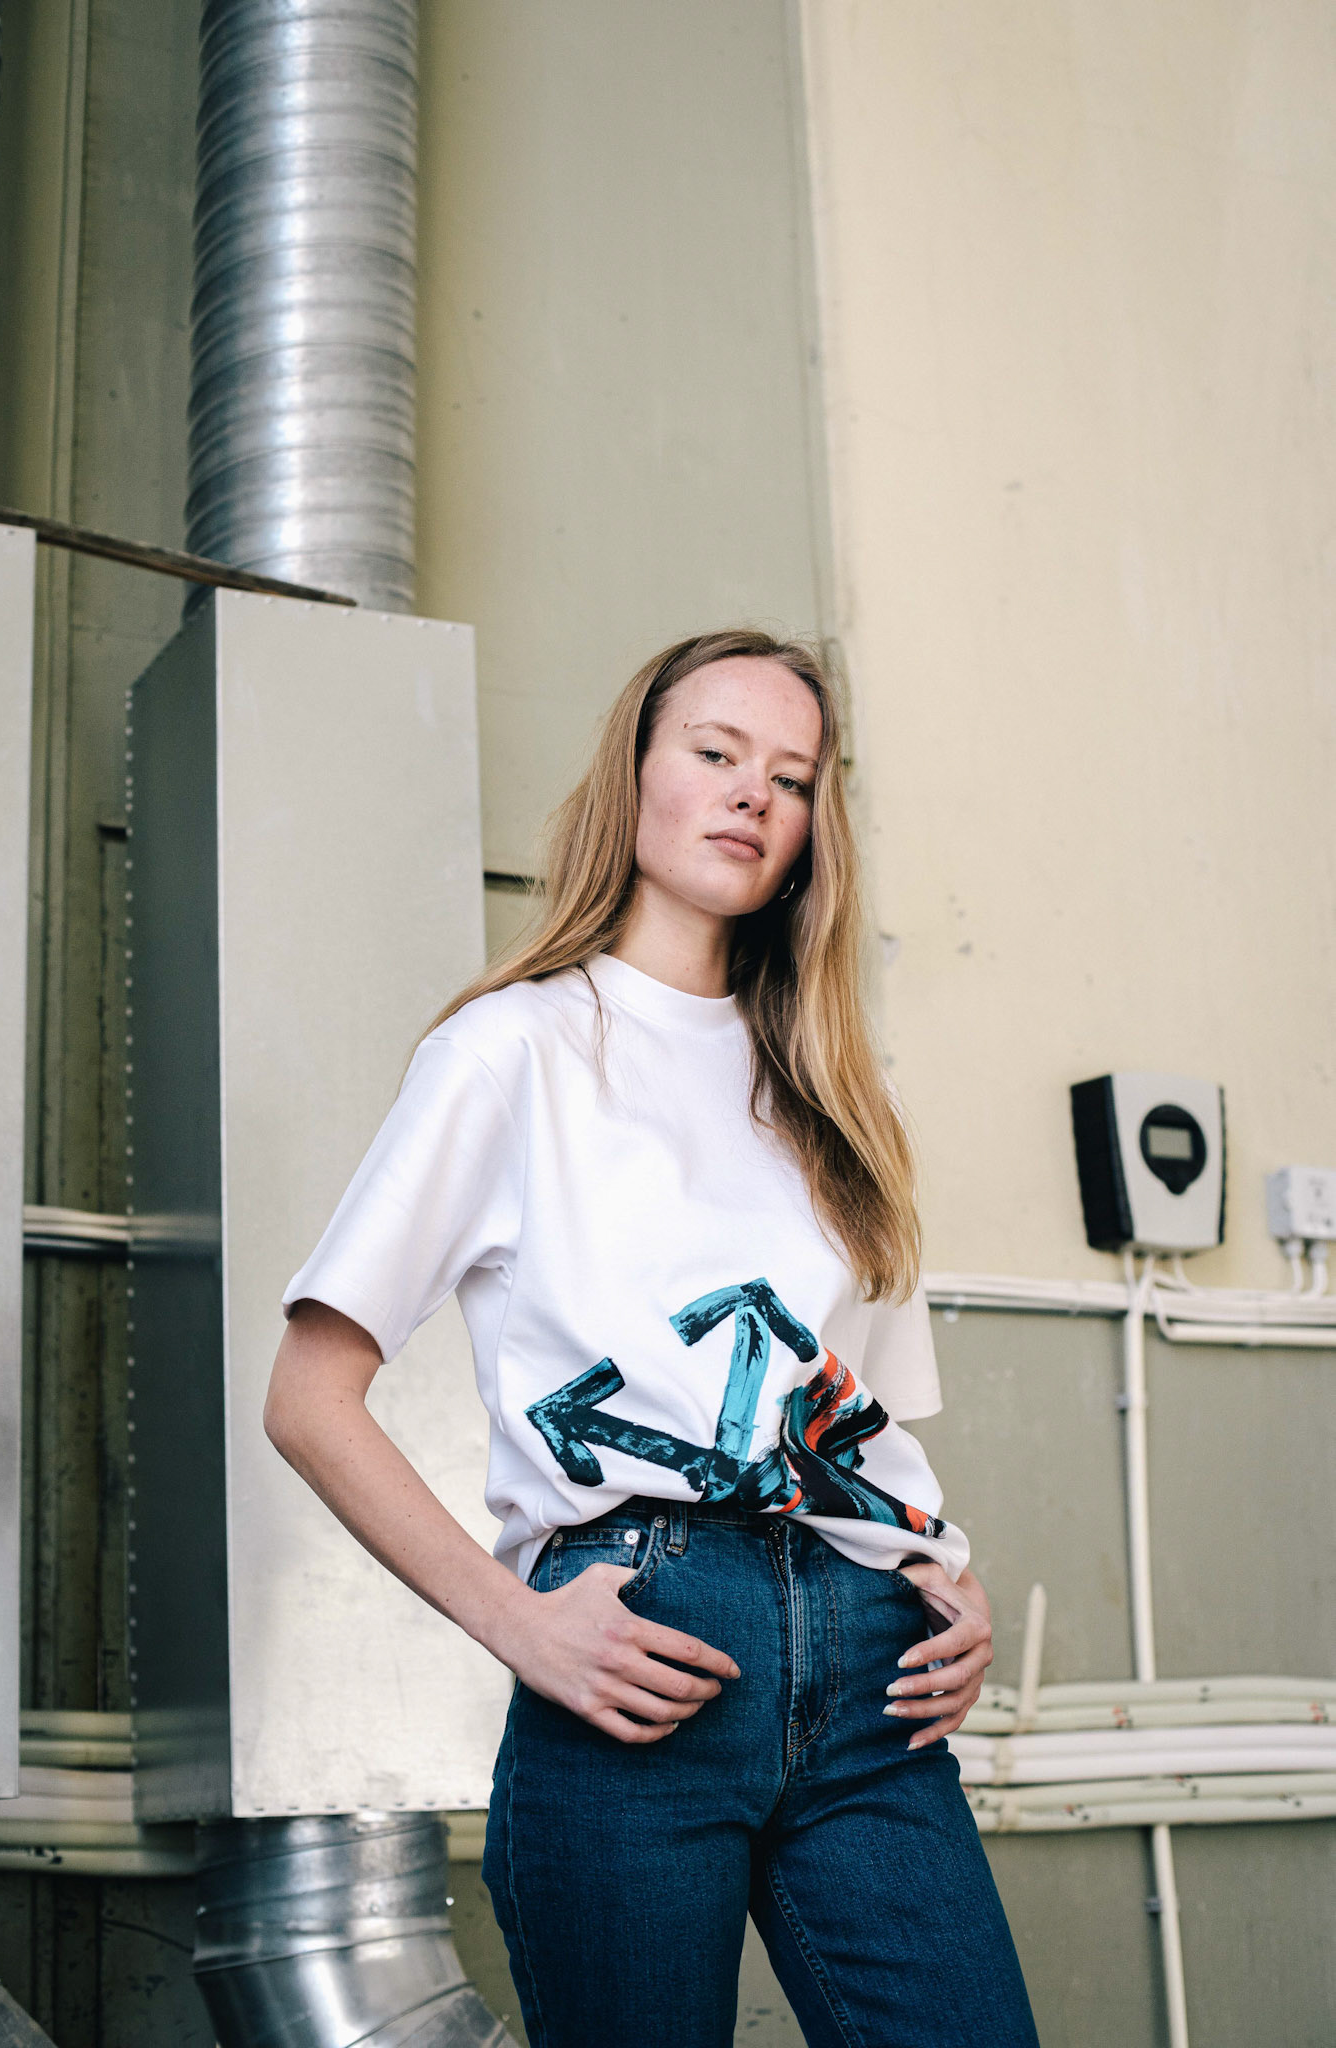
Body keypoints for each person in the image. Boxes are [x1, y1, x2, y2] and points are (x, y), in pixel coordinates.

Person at [264, 628, 1040, 2048]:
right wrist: (515, 1623)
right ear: (634, 775)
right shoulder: (511, 1051)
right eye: (715, 752)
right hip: (643, 1654)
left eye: (790, 778)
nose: (753, 793)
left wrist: (948, 1576)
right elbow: (308, 1399)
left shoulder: (836, 1094)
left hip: (871, 1678)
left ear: (811, 832)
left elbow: (856, 1426)